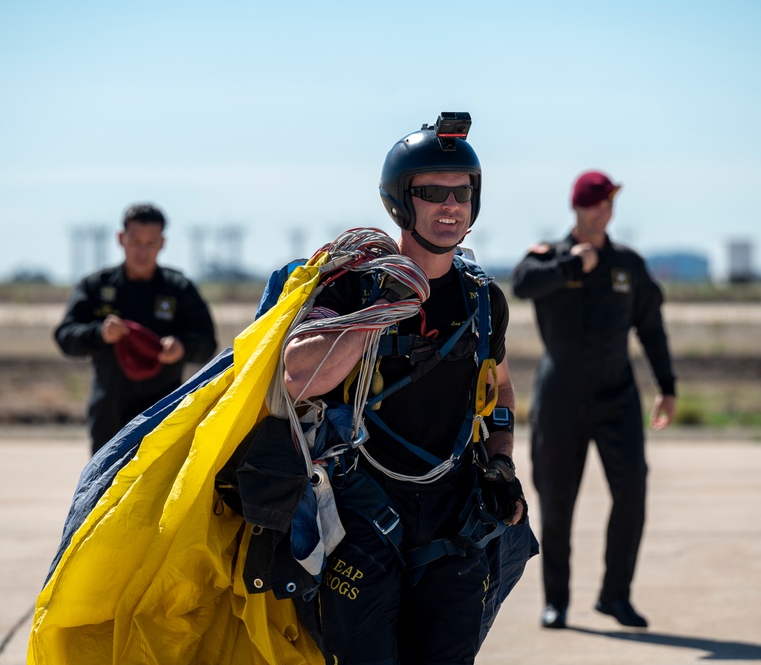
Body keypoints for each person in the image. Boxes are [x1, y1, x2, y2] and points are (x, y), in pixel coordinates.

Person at [281, 113, 528, 664]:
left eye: (462, 193)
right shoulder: (351, 285)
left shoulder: (482, 298)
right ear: (399, 202)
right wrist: (378, 311)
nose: (450, 206)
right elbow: (298, 377)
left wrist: (501, 461)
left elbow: (502, 391)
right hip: (360, 513)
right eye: (432, 192)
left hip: (454, 513)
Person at [511, 170, 676, 630]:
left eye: (608, 204)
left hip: (617, 397)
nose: (603, 212)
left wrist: (668, 386)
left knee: (632, 493)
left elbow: (651, 328)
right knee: (557, 501)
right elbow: (521, 284)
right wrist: (571, 267)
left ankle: (615, 596)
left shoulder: (628, 264)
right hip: (561, 397)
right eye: (595, 204)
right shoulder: (551, 256)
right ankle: (556, 602)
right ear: (577, 208)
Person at [54, 203, 218, 455]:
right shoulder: (97, 286)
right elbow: (65, 336)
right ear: (121, 239)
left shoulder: (179, 288)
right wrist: (100, 334)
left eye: (150, 243)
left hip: (163, 408)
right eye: (135, 241)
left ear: (162, 243)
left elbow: (207, 341)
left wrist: (182, 347)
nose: (142, 251)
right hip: (109, 409)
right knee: (104, 489)